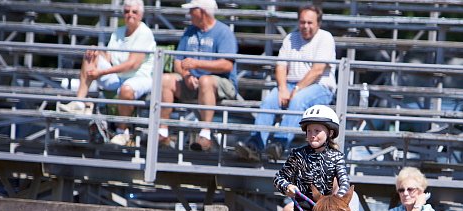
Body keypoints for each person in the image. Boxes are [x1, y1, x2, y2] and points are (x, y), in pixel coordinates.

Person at [236, 4, 336, 162]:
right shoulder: (291, 38)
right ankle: (254, 145)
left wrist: (296, 88)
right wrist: (283, 89)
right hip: (291, 85)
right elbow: (281, 66)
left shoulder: (325, 38)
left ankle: (279, 144)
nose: (305, 26)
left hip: (320, 86)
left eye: (310, 23)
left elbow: (318, 70)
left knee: (298, 101)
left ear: (318, 23)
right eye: (302, 22)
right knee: (269, 101)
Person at [57, 0, 156, 147]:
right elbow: (110, 57)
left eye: (134, 12)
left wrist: (101, 72)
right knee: (91, 53)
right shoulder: (119, 31)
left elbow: (132, 64)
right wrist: (96, 52)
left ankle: (123, 131)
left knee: (126, 89)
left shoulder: (145, 33)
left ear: (141, 15)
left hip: (139, 77)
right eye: (127, 11)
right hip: (118, 77)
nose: (130, 15)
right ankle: (79, 102)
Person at [158, 0, 238, 152]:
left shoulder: (223, 32)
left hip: (221, 84)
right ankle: (162, 132)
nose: (189, 14)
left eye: (192, 10)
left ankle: (205, 134)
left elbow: (227, 65)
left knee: (205, 81)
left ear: (202, 12)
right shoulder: (190, 31)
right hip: (193, 83)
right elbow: (177, 61)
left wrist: (197, 64)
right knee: (166, 79)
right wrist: (186, 75)